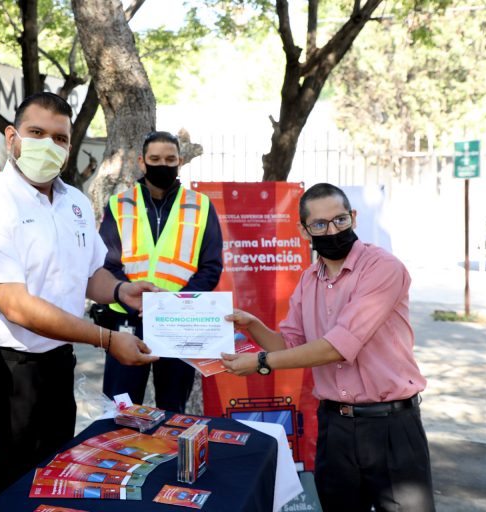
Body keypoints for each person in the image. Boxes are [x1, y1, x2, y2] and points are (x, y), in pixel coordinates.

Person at [0, 92, 158, 509]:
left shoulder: (77, 203)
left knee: (53, 483)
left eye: (60, 138)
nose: (49, 145)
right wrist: (105, 338)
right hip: (4, 374)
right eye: (36, 133)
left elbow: (88, 274)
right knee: (3, 492)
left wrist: (122, 291)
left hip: (58, 368)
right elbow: (16, 305)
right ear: (12, 137)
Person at [220, 182, 435, 512]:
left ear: (354, 217)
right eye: (320, 224)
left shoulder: (382, 268)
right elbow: (291, 345)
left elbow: (337, 347)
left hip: (391, 427)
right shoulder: (308, 280)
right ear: (304, 231)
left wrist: (262, 362)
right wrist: (254, 326)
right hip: (335, 428)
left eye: (340, 220)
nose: (332, 230)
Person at [95, 130, 223, 412]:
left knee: (173, 409)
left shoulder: (201, 206)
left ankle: (170, 457)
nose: (162, 165)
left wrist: (173, 304)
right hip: (127, 320)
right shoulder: (119, 205)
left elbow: (211, 267)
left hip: (177, 321)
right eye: (155, 159)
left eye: (169, 159)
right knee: (120, 407)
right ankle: (119, 456)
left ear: (180, 161)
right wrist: (137, 302)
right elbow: (107, 264)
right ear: (142, 162)